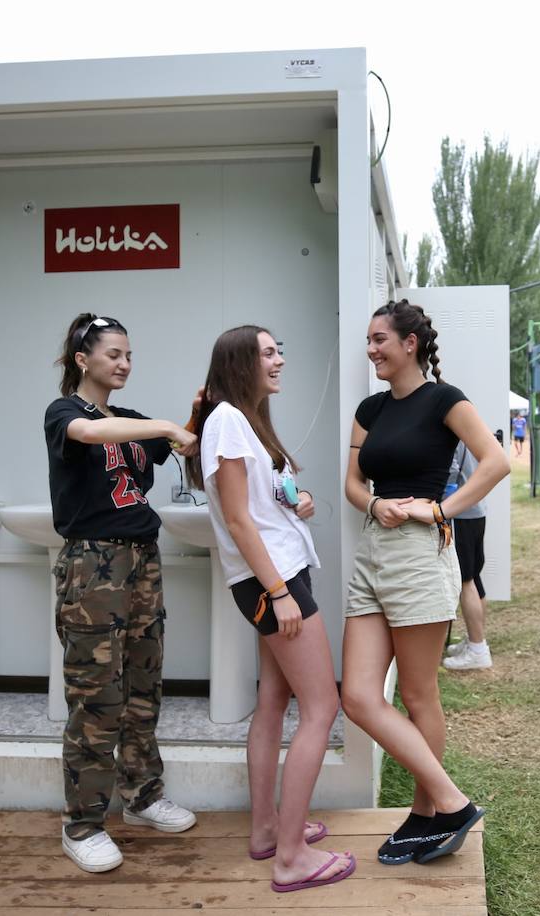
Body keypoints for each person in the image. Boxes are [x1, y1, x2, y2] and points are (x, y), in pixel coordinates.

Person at [342, 300, 510, 865]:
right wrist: (375, 502)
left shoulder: (445, 399)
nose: (371, 350)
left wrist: (441, 511)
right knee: (358, 695)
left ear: (410, 343)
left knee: (417, 695)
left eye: (379, 339)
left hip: (419, 556)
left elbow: (496, 461)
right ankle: (451, 803)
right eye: (368, 340)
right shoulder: (369, 409)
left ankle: (425, 815)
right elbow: (351, 482)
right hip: (372, 553)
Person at [188, 326, 354, 893]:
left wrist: (298, 502)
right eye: (268, 352)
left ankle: (266, 831)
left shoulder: (243, 422)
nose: (280, 360)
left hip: (276, 573)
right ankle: (290, 858)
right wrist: (280, 593)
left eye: (279, 349)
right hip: (273, 582)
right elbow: (237, 520)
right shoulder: (228, 421)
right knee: (322, 708)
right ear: (240, 364)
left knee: (274, 700)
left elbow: (264, 503)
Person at [44, 313, 199, 873]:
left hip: (142, 562)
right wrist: (162, 426)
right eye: (114, 354)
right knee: (96, 696)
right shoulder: (66, 413)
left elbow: (183, 445)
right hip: (93, 566)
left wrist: (197, 415)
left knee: (142, 686)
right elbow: (90, 435)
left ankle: (142, 797)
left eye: (129, 354)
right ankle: (82, 824)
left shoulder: (132, 419)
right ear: (83, 360)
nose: (124, 363)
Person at [442, 440, 493, 669]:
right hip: (475, 510)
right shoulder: (470, 431)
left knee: (466, 580)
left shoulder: (452, 430)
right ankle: (477, 640)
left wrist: (436, 505)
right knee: (474, 577)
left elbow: (450, 470)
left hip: (460, 513)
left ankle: (477, 648)